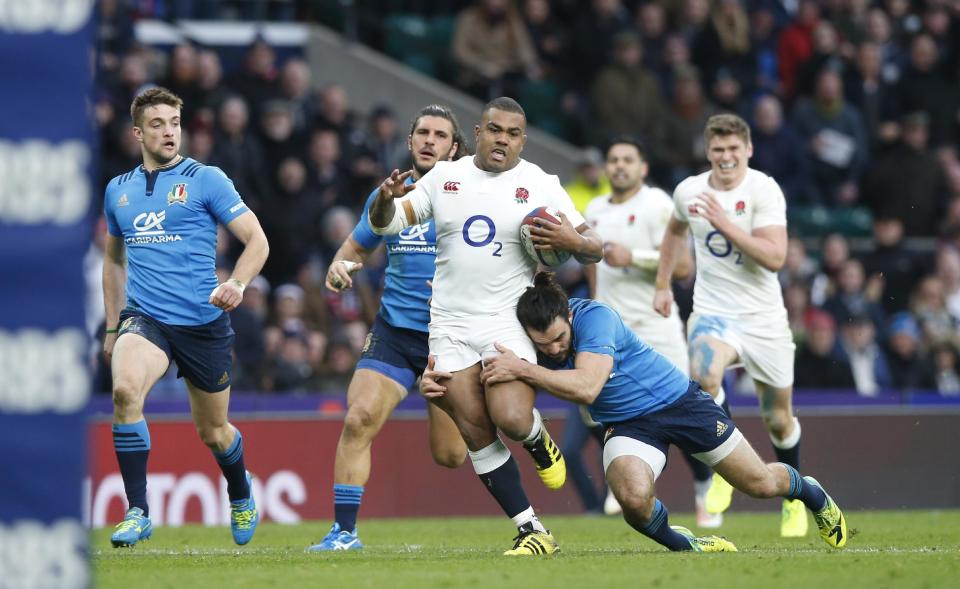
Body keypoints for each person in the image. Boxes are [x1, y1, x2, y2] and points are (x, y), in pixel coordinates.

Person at [461, 272, 847, 553]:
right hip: (628, 425)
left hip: (680, 403)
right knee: (631, 496)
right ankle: (686, 544)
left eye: (561, 338)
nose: (556, 349)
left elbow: (587, 387)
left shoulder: (596, 318)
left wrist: (526, 368)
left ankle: (811, 492)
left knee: (760, 483)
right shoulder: (528, 342)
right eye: (543, 344)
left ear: (569, 316)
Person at [372, 97, 603, 555]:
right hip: (449, 324)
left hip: (505, 321)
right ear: (477, 133)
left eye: (513, 134)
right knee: (475, 429)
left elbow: (595, 247)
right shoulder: (445, 177)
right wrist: (383, 203)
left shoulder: (539, 182)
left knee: (512, 419)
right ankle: (531, 529)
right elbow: (388, 225)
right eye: (495, 130)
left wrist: (573, 240)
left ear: (522, 140)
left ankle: (536, 436)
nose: (502, 140)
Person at [102, 87, 270, 547]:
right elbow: (113, 262)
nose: (169, 131)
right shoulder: (118, 190)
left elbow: (257, 241)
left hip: (203, 322)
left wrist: (236, 283)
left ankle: (240, 491)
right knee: (124, 391)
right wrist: (114, 324)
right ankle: (137, 511)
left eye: (174, 122)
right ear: (138, 132)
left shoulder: (206, 179)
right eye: (157, 124)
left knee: (214, 432)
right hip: (145, 318)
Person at [306, 105, 471, 551]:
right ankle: (344, 533)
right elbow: (354, 247)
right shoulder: (389, 195)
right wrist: (340, 268)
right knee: (358, 418)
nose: (429, 140)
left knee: (451, 455)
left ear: (454, 148)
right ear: (410, 141)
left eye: (440, 135)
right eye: (422, 132)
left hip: (451, 340)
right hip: (395, 332)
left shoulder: (471, 197)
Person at [653, 113, 807, 538]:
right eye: (718, 150)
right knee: (704, 375)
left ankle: (793, 499)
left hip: (764, 320)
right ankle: (725, 464)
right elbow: (674, 231)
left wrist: (723, 221)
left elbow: (775, 257)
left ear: (748, 150)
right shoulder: (689, 190)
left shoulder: (763, 190)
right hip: (714, 312)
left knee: (778, 418)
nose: (725, 157)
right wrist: (663, 283)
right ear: (708, 151)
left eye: (733, 150)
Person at [585, 136, 723, 528]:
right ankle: (621, 475)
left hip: (655, 326)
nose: (619, 166)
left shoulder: (658, 205)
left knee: (683, 414)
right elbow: (593, 264)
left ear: (643, 168)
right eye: (613, 159)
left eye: (628, 159)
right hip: (611, 330)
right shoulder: (594, 209)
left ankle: (704, 493)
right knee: (594, 406)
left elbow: (683, 268)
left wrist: (635, 258)